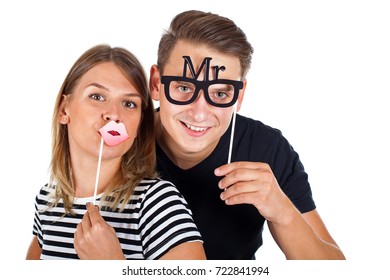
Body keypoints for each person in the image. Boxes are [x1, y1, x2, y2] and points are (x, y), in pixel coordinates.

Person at [149, 10, 346, 260]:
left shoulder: (267, 149)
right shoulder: (119, 144)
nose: (199, 114)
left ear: (239, 97)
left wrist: (282, 211)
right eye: (184, 87)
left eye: (220, 94)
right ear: (157, 84)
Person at [26, 44, 205, 260]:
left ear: (139, 125)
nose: (114, 114)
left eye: (129, 103)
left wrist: (110, 264)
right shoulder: (47, 199)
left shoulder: (156, 202)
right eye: (97, 97)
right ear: (64, 110)